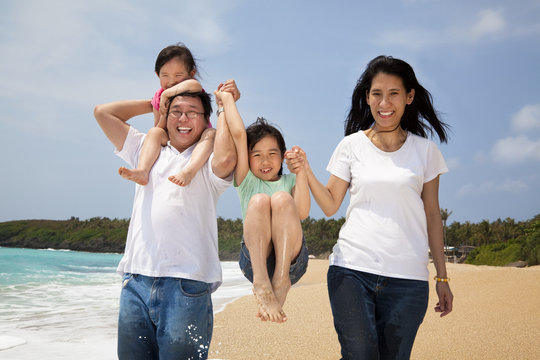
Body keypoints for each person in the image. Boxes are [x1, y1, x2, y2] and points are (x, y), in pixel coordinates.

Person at [286, 55, 453, 359]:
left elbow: (432, 217)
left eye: (394, 93)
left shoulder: (426, 152)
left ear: (409, 97)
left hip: (409, 279)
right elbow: (329, 204)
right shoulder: (350, 146)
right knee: (360, 354)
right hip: (352, 270)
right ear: (367, 97)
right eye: (376, 93)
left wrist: (442, 277)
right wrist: (305, 170)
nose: (384, 102)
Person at [94, 77, 240, 359]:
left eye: (192, 113)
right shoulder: (146, 150)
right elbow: (104, 113)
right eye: (177, 112)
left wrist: (225, 106)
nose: (183, 119)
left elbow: (226, 160)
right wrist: (158, 101)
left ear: (205, 119)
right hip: (135, 282)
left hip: (187, 285)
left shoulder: (208, 159)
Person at [214, 87, 310, 323]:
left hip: (292, 263)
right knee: (258, 201)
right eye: (256, 155)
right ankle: (261, 282)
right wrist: (226, 101)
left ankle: (280, 280)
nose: (265, 161)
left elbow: (303, 213)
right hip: (255, 262)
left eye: (272, 154)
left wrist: (301, 173)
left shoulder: (289, 181)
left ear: (282, 156)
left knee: (281, 199)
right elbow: (239, 135)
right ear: (247, 158)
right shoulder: (246, 181)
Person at [118, 43, 216, 187]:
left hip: (199, 137)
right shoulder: (158, 97)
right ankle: (143, 171)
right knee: (154, 132)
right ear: (157, 75)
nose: (171, 82)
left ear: (191, 74)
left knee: (212, 133)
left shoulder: (191, 86)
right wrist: (164, 113)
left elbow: (196, 87)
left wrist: (168, 94)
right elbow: (160, 128)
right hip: (174, 137)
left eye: (178, 75)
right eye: (165, 75)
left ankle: (189, 171)